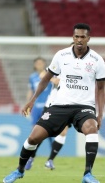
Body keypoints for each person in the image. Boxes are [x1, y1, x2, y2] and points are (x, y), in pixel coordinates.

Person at [3, 23, 105, 183]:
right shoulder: (61, 55)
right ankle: (19, 170)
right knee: (33, 138)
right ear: (73, 38)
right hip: (60, 105)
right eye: (77, 36)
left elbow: (101, 89)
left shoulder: (97, 60)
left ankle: (87, 174)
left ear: (88, 38)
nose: (79, 40)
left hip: (84, 107)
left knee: (91, 129)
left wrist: (100, 114)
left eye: (83, 37)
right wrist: (31, 101)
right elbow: (45, 79)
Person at [25, 43, 75, 171]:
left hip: (68, 105)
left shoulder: (81, 68)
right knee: (40, 134)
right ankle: (31, 157)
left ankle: (50, 160)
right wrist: (55, 80)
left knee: (63, 132)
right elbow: (43, 75)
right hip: (52, 104)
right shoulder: (60, 62)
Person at [24, 57, 54, 170]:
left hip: (48, 107)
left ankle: (51, 159)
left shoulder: (50, 74)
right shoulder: (32, 77)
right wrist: (28, 104)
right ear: (35, 65)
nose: (40, 65)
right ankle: (31, 158)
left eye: (41, 63)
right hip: (36, 108)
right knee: (35, 134)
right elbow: (31, 91)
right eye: (37, 63)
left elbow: (56, 85)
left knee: (51, 133)